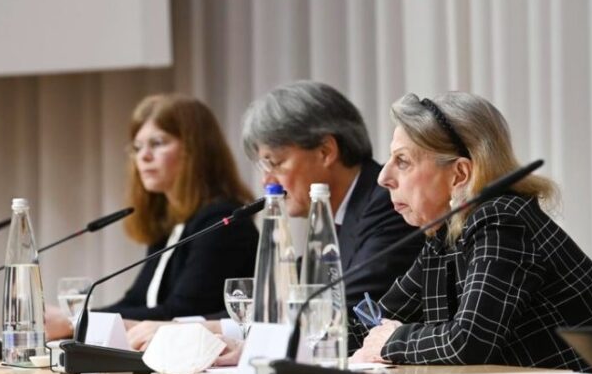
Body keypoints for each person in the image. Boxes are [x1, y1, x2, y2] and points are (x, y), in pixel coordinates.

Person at [125, 81, 421, 349]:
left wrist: (193, 330)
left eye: (276, 163)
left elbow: (339, 312)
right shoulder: (337, 215)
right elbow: (278, 305)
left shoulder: (385, 204)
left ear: (325, 151)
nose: (269, 183)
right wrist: (186, 327)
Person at [349, 91, 592, 371]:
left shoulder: (502, 221)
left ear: (460, 174)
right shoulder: (445, 238)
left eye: (403, 161)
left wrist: (392, 340)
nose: (383, 178)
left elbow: (469, 341)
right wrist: (314, 338)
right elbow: (370, 325)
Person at [45, 93, 258, 339]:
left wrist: (76, 323)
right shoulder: (171, 223)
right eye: (137, 148)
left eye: (157, 143)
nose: (143, 157)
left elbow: (181, 312)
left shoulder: (224, 223)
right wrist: (74, 319)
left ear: (196, 149)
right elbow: (137, 300)